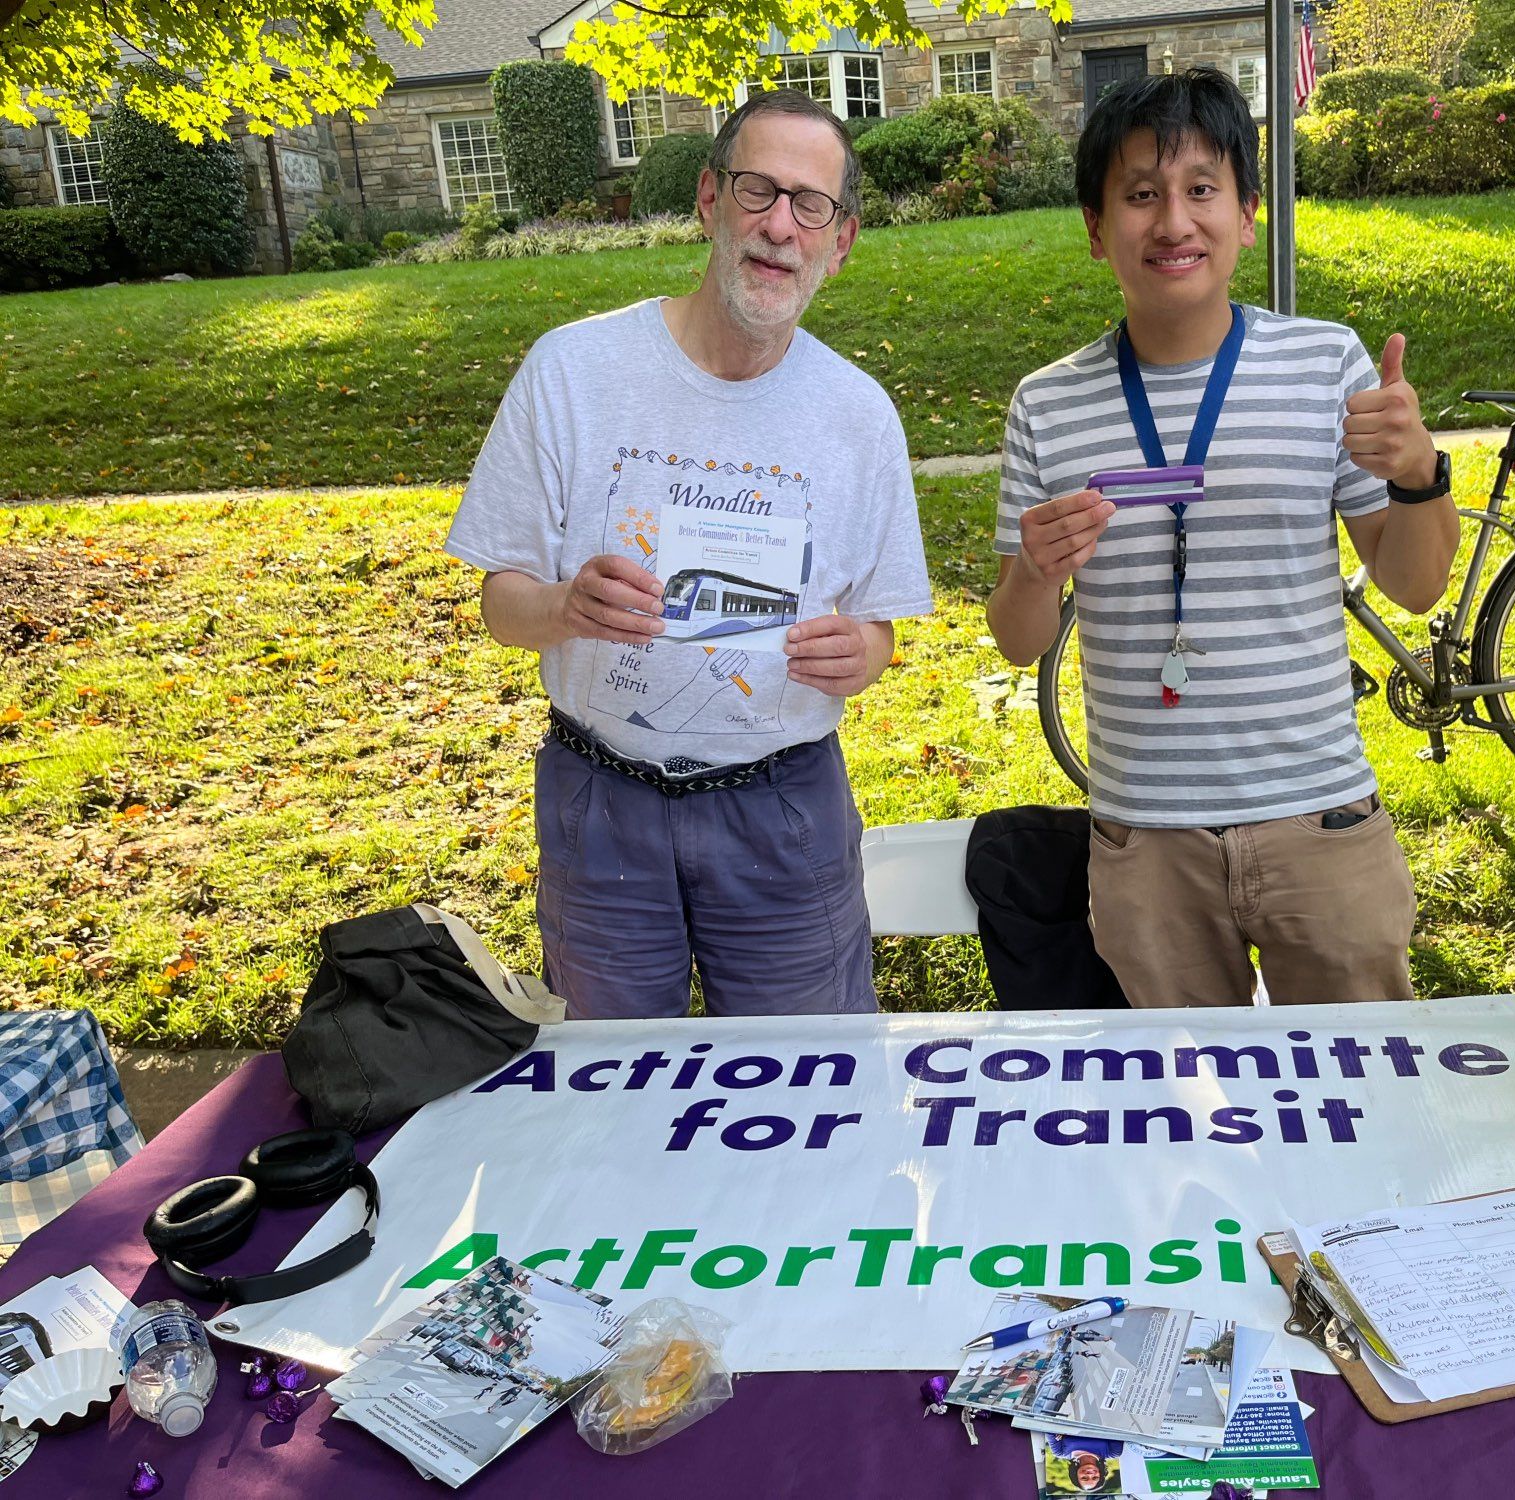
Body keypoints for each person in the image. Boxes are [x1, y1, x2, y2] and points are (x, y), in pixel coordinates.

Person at [446, 89, 933, 1020]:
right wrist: (563, 608)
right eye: (759, 191)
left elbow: (877, 634)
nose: (781, 225)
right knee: (613, 1098)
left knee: (810, 1092)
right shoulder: (573, 371)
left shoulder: (858, 415)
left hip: (784, 811)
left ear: (842, 242)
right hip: (603, 801)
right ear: (709, 201)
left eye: (812, 205)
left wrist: (858, 656)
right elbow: (500, 602)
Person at [984, 67, 1458, 1008]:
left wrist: (1418, 477)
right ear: (1094, 228)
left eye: (1202, 190)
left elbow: (1414, 584)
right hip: (1144, 841)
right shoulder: (1048, 403)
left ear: (1247, 216)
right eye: (1141, 195)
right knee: (1189, 1125)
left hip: (1319, 821)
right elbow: (1015, 636)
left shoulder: (1325, 365)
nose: (1173, 223)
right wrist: (1038, 570)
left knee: (1363, 1106)